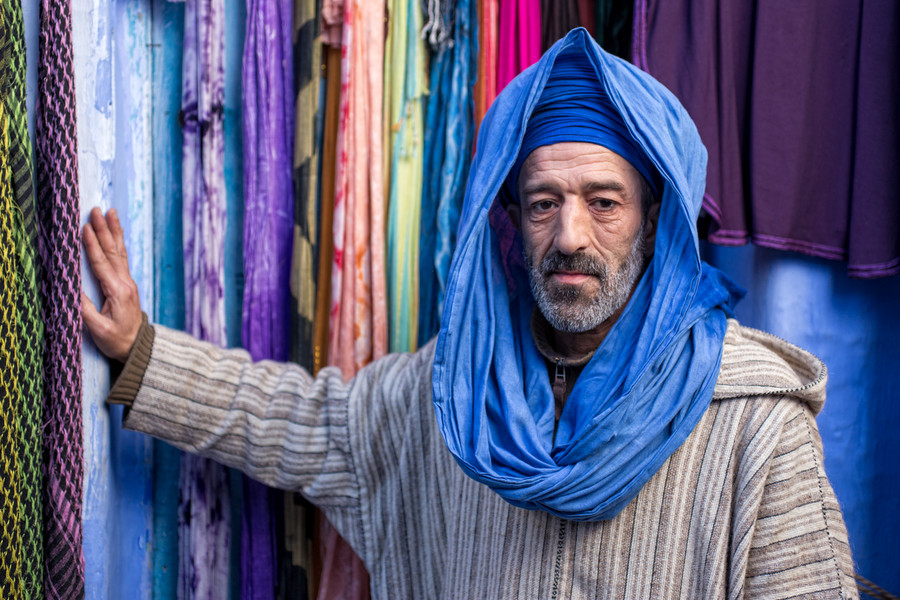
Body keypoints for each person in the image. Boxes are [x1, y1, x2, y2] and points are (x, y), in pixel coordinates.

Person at [83, 29, 857, 598]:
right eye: (544, 202)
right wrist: (142, 352)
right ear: (511, 222)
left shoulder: (754, 420)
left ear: (656, 222)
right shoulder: (450, 396)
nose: (570, 236)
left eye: (604, 202)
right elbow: (299, 422)